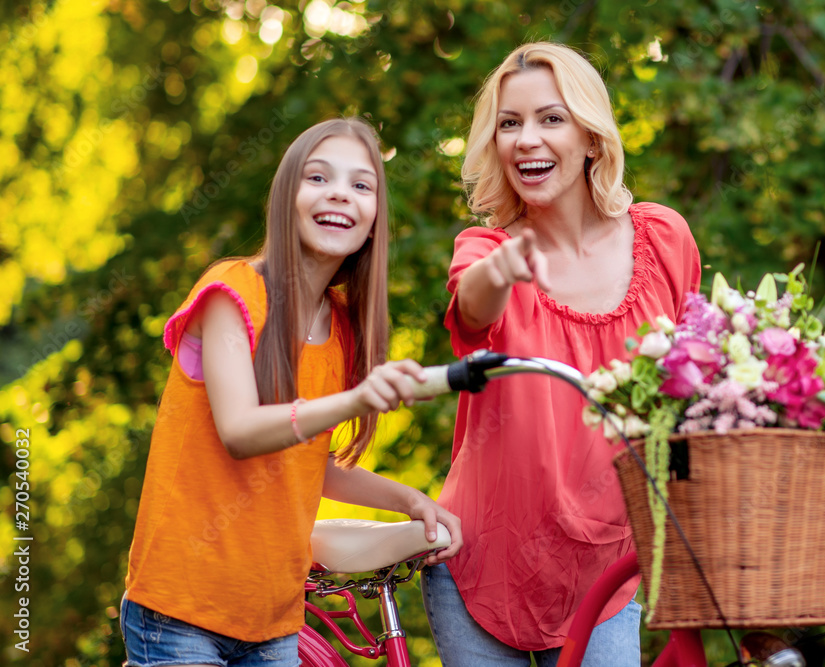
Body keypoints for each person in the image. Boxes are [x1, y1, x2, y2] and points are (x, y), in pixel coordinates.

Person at [121, 117, 462, 667]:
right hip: (179, 612)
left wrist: (410, 500)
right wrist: (356, 400)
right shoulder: (232, 292)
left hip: (275, 620)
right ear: (287, 196)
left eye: (361, 185)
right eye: (318, 177)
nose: (339, 195)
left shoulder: (346, 326)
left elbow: (306, 462)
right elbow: (241, 432)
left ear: (374, 220)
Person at [420, 42, 701, 666]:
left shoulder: (663, 240)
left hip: (607, 564)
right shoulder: (484, 250)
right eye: (509, 124)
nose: (526, 140)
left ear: (592, 137)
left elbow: (692, 383)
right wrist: (504, 268)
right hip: (481, 559)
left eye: (551, 119)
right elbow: (472, 308)